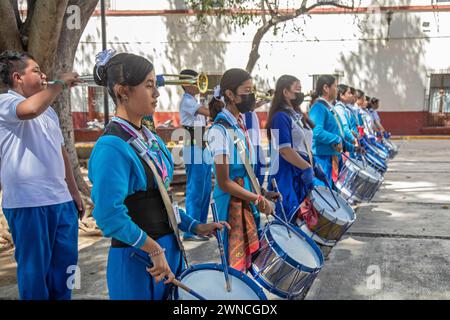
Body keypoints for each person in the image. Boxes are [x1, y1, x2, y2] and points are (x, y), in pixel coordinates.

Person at [88, 52, 229, 300]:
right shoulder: (111, 146)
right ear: (123, 91)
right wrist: (153, 249)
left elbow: (163, 199)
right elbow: (108, 215)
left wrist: (194, 225)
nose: (157, 94)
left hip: (166, 254)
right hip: (137, 261)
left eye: (156, 85)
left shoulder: (150, 138)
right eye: (149, 85)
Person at [0, 50, 83, 300]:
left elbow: (61, 153)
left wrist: (74, 192)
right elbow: (29, 110)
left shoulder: (49, 111)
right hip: (28, 203)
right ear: (18, 77)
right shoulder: (6, 102)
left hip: (60, 201)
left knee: (64, 271)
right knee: (35, 275)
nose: (43, 75)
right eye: (36, 71)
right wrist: (60, 83)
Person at [206, 68, 278, 272]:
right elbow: (224, 182)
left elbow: (246, 170)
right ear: (230, 94)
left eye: (252, 90)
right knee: (234, 266)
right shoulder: (219, 131)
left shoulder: (238, 125)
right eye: (246, 90)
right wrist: (258, 199)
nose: (251, 96)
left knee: (248, 264)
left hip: (248, 198)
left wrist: (261, 192)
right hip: (230, 206)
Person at [266, 75, 326, 220]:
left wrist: (313, 163)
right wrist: (306, 167)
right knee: (288, 218)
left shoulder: (296, 115)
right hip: (286, 173)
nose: (301, 94)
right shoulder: (280, 117)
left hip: (299, 171)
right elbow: (285, 150)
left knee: (302, 220)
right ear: (285, 92)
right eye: (297, 90)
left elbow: (304, 143)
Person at [178, 69, 212, 242]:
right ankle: (191, 230)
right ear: (185, 84)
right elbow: (209, 113)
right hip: (193, 147)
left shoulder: (195, 101)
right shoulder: (187, 101)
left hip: (202, 145)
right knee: (195, 189)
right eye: (195, 81)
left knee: (205, 189)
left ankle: (201, 227)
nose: (199, 85)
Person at [308, 75, 357, 185]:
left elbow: (338, 134)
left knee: (334, 196)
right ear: (326, 88)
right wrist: (336, 140)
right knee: (324, 195)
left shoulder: (329, 108)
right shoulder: (318, 108)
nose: (337, 89)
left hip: (333, 158)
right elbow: (316, 132)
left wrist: (353, 148)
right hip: (322, 159)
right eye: (335, 86)